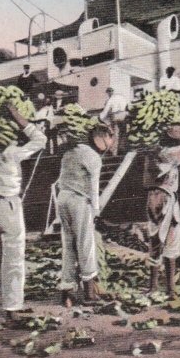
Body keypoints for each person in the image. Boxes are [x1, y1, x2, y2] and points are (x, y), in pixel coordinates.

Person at [0, 103, 46, 324]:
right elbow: (40, 140)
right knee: (14, 259)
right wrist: (18, 117)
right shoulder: (11, 153)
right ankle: (11, 308)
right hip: (9, 205)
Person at [144, 122, 180, 299]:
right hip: (164, 198)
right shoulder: (169, 154)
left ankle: (155, 287)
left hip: (155, 198)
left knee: (157, 240)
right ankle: (167, 289)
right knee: (168, 240)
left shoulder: (156, 152)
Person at [57, 124, 114, 306]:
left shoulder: (69, 152)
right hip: (79, 201)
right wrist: (96, 212)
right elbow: (94, 186)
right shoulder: (92, 156)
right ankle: (90, 293)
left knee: (68, 245)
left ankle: (67, 291)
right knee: (85, 244)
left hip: (62, 198)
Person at [99, 87, 129, 156]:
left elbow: (106, 112)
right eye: (109, 92)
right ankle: (121, 150)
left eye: (110, 92)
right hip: (122, 117)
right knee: (122, 134)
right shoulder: (119, 98)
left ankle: (115, 152)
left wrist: (102, 119)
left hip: (115, 118)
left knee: (116, 134)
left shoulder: (109, 101)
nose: (110, 93)